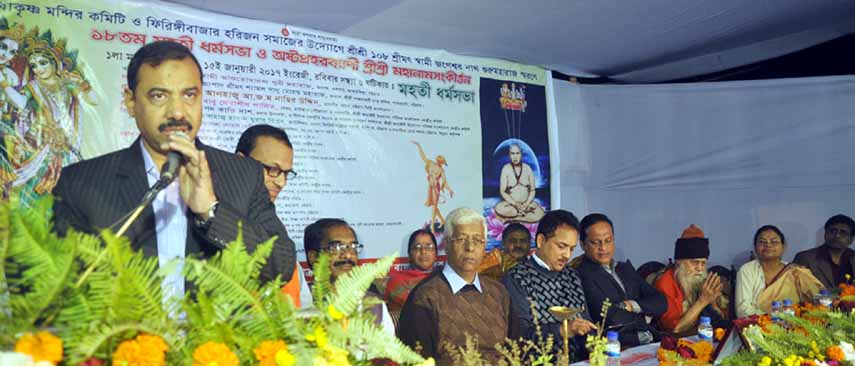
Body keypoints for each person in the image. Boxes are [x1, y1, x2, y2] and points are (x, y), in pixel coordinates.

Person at [51, 41, 296, 301]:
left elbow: (281, 264)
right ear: (131, 101)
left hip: (218, 341)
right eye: (159, 96)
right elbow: (54, 287)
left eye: (189, 95)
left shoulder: (244, 174)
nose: (177, 111)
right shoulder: (79, 184)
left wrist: (212, 211)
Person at [398, 207, 517, 365]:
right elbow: (416, 359)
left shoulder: (499, 293)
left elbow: (518, 350)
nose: (470, 248)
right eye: (461, 239)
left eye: (477, 240)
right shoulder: (425, 297)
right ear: (446, 244)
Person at [3, 42, 97, 203]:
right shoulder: (32, 87)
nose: (39, 69)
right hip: (39, 147)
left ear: (54, 63)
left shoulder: (68, 85)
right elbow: (20, 103)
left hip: (67, 147)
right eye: (34, 66)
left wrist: (84, 84)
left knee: (66, 192)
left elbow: (93, 101)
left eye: (43, 63)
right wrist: (4, 85)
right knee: (34, 190)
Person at [503, 210, 597, 362]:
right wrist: (563, 330)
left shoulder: (571, 275)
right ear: (541, 241)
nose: (567, 255)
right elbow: (519, 335)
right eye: (561, 246)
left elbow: (586, 321)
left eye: (571, 249)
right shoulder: (517, 277)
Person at [235, 124, 310, 308]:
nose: (281, 182)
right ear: (239, 162)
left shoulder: (281, 242)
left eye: (286, 173)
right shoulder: (210, 221)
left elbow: (306, 314)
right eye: (273, 170)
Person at [576, 213, 666, 348]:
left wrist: (631, 305)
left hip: (649, 341)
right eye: (595, 242)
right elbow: (609, 317)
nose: (603, 248)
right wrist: (645, 315)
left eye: (608, 240)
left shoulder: (625, 269)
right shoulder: (581, 275)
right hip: (617, 347)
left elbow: (661, 301)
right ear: (583, 245)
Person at [303, 218, 395, 334]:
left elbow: (389, 349)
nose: (348, 255)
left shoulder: (373, 305)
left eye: (353, 247)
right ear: (314, 257)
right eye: (336, 247)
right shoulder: (300, 304)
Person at [736, 225, 824, 317]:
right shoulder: (747, 270)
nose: (768, 245)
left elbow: (820, 300)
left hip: (794, 325)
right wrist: (773, 317)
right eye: (762, 241)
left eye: (774, 241)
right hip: (757, 326)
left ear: (783, 247)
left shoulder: (796, 271)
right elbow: (743, 310)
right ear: (755, 247)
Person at [654, 224, 728, 333]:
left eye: (703, 263)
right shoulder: (665, 282)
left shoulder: (704, 280)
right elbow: (675, 330)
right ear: (679, 262)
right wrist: (702, 301)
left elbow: (721, 320)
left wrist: (713, 303)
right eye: (694, 262)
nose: (700, 269)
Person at [793, 214, 855, 289]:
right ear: (825, 234)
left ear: (851, 239)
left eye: (843, 232)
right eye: (832, 231)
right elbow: (795, 288)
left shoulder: (852, 258)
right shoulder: (805, 258)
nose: (837, 235)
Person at [384, 229, 439, 312]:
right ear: (409, 255)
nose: (423, 251)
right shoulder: (398, 280)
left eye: (429, 247)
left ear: (436, 254)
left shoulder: (444, 278)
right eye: (417, 247)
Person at [494, 144, 544, 223]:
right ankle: (521, 215)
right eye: (512, 154)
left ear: (521, 155)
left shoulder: (527, 168)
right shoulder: (506, 169)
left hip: (526, 205)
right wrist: (515, 204)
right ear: (509, 155)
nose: (515, 156)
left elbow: (533, 190)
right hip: (512, 205)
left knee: (540, 214)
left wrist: (527, 203)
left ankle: (514, 219)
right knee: (499, 208)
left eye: (517, 153)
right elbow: (502, 191)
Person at [411, 140, 453, 233]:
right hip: (430, 187)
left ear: (442, 162)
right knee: (434, 206)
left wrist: (449, 190)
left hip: (436, 189)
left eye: (440, 161)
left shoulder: (441, 170)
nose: (439, 161)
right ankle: (442, 221)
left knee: (434, 207)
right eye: (439, 160)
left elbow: (444, 182)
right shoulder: (430, 163)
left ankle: (432, 226)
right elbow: (423, 157)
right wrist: (419, 146)